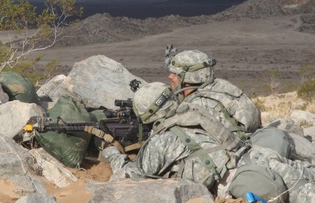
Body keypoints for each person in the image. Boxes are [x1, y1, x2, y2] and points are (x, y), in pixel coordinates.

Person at [102, 81, 246, 191]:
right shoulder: (194, 110)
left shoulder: (162, 140)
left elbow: (130, 176)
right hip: (242, 162)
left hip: (229, 186)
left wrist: (111, 152)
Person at [165, 49, 261, 134]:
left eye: (175, 74)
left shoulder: (197, 107)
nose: (170, 77)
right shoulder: (222, 85)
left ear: (189, 77)